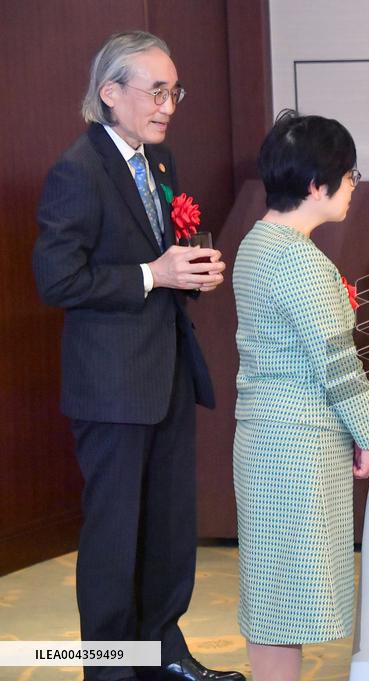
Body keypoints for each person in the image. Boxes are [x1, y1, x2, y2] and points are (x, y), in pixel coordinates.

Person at [32, 31, 240, 681]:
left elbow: (158, 258)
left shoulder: (158, 160)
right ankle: (111, 670)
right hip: (112, 384)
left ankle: (163, 654)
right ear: (110, 93)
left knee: (170, 530)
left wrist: (188, 274)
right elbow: (56, 278)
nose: (168, 104)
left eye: (174, 90)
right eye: (156, 90)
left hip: (167, 369)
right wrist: (153, 273)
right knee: (114, 540)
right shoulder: (78, 169)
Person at [232, 110, 369, 681]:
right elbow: (338, 363)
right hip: (294, 447)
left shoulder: (258, 241)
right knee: (285, 602)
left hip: (266, 438)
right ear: (317, 186)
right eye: (349, 177)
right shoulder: (297, 257)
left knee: (273, 601)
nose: (353, 188)